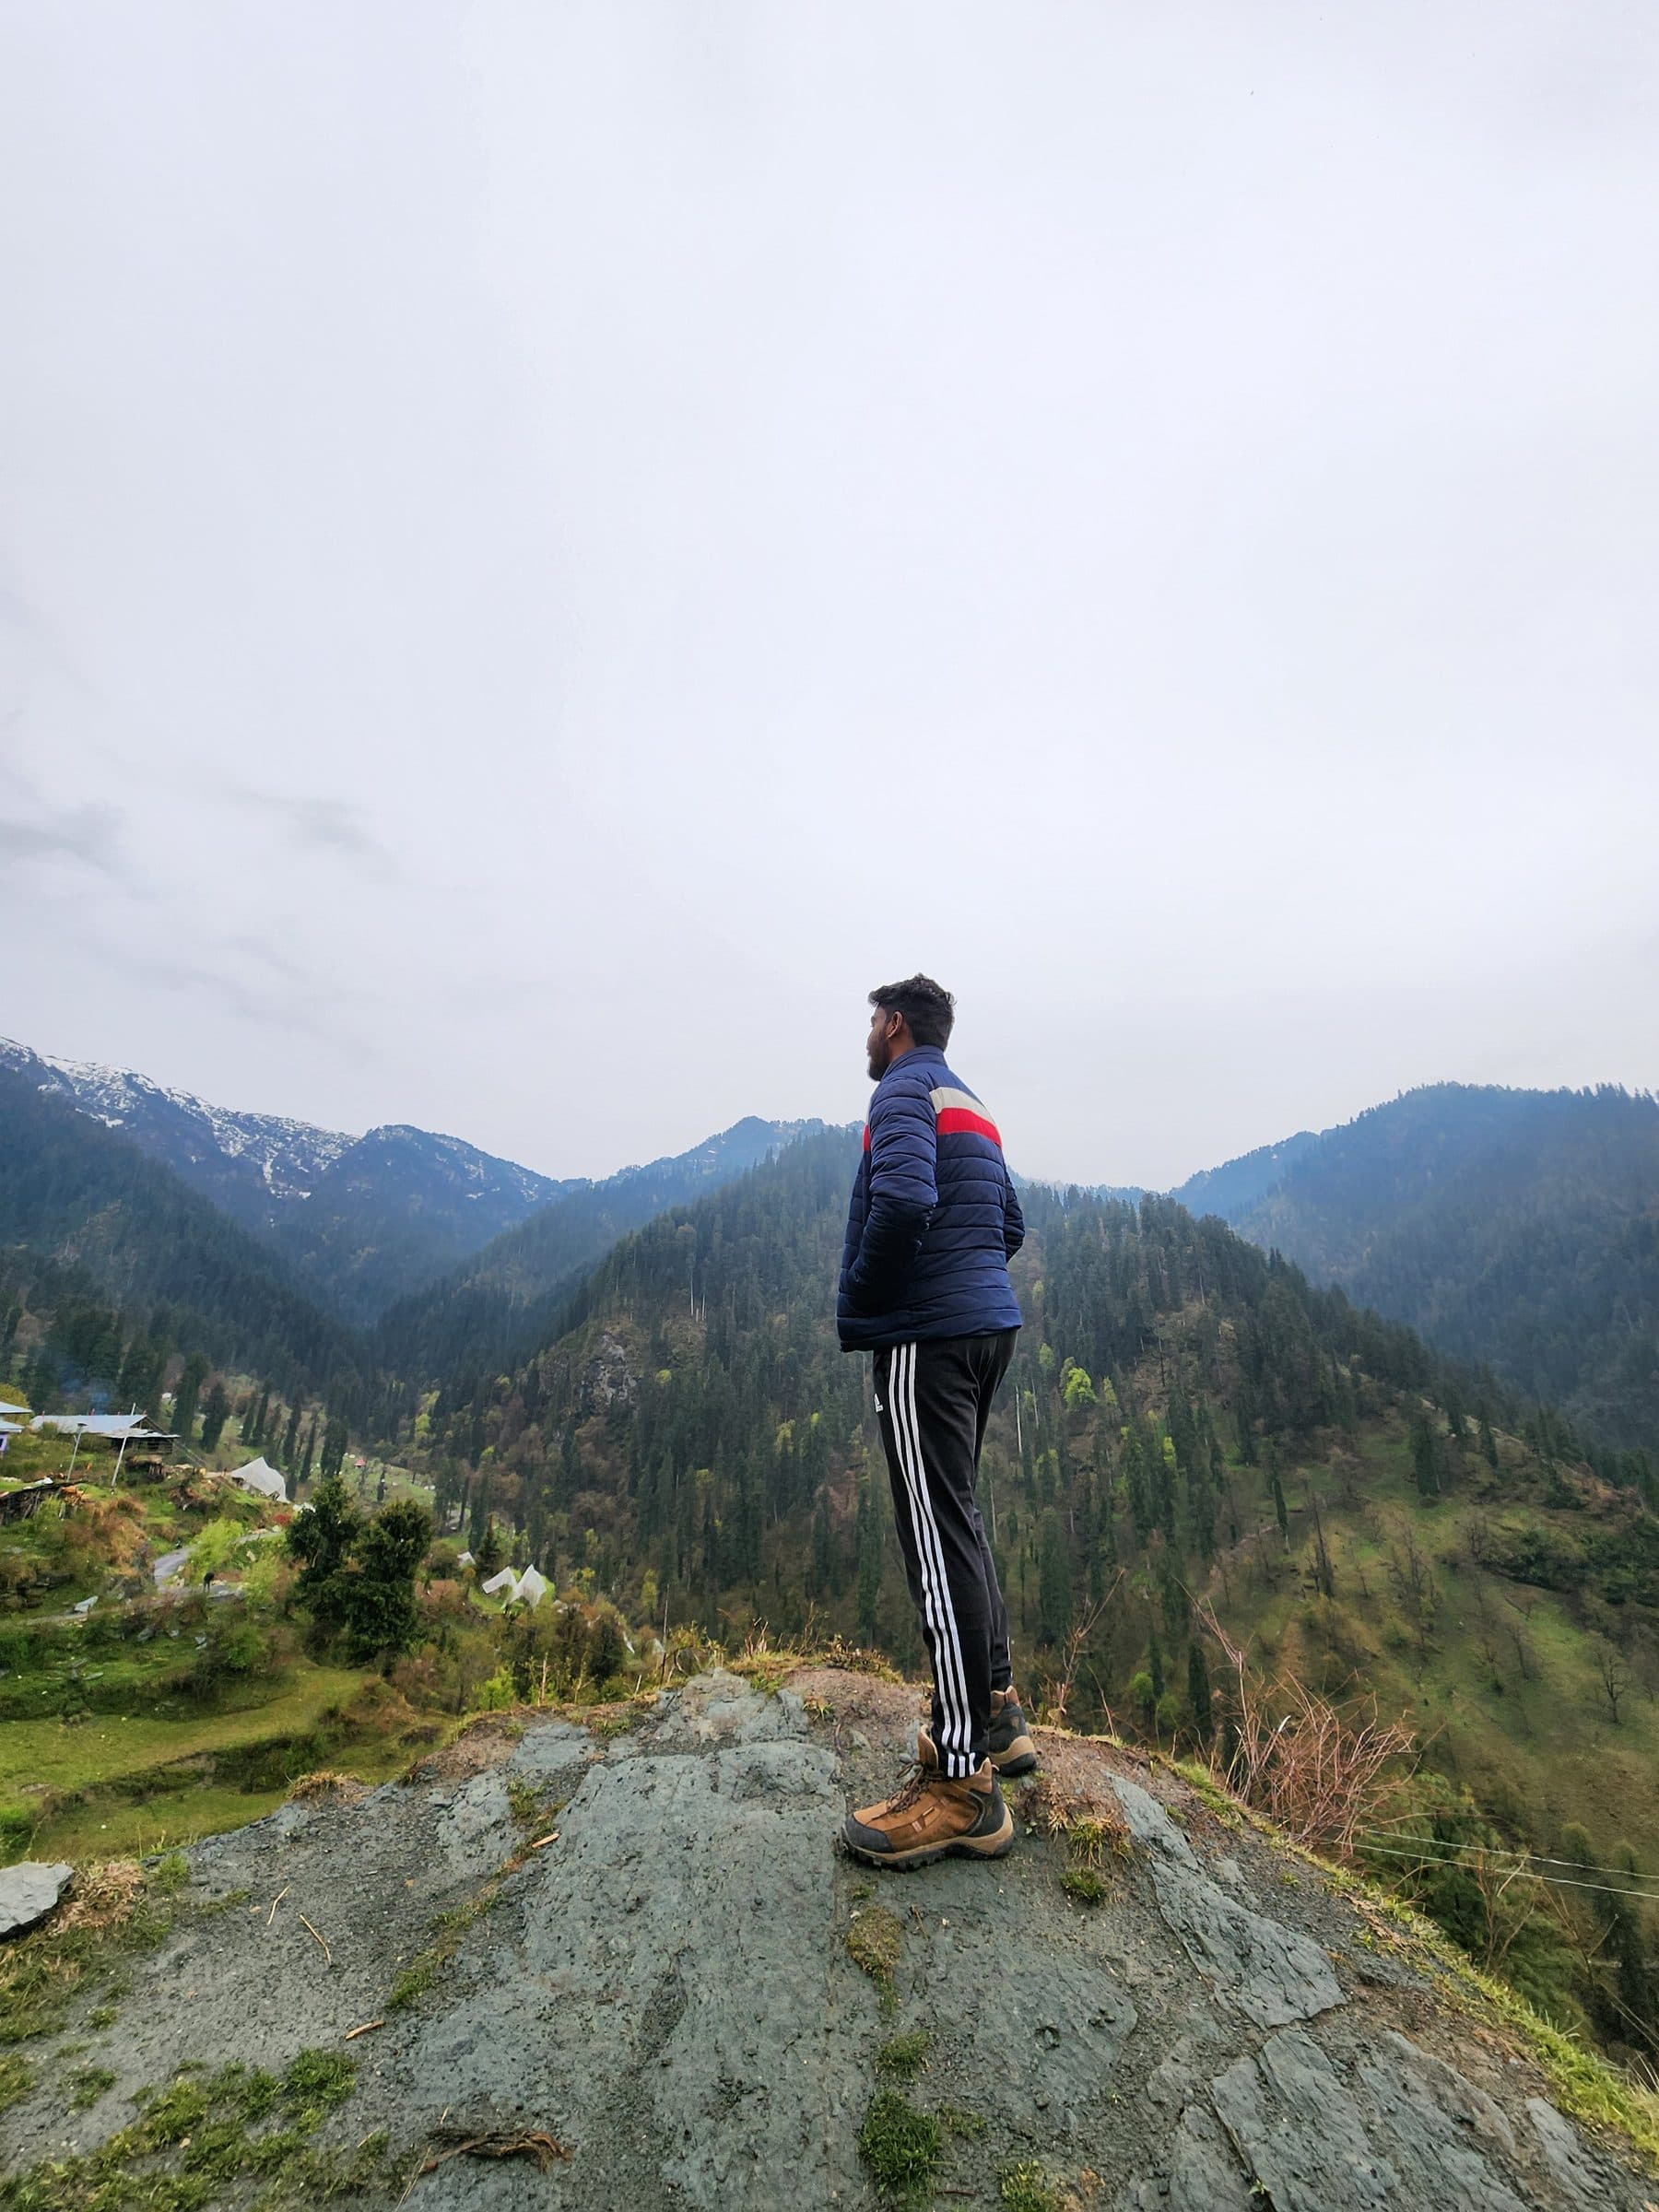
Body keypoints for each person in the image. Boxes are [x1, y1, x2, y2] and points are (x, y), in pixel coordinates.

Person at [836, 973, 1035, 1869]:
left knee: (932, 1535)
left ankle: (961, 1783)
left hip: (929, 1337)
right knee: (959, 1519)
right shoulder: (972, 1101)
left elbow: (906, 1200)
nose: (868, 1035)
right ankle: (996, 1709)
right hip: (986, 1330)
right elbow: (1011, 1223)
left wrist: (874, 1297)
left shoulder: (902, 1090)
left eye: (873, 1020)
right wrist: (966, 1280)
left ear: (897, 1025)